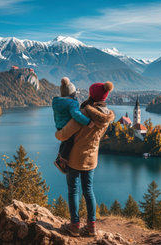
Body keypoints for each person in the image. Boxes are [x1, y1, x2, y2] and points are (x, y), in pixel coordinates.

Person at [55, 81, 115, 237]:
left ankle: (74, 226)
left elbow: (65, 134)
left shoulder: (84, 114)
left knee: (73, 191)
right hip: (91, 159)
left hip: (75, 159)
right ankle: (91, 226)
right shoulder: (106, 116)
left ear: (91, 95)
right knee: (88, 191)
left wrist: (57, 135)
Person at [52, 77, 94, 174]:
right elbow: (76, 115)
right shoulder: (72, 103)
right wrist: (88, 122)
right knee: (70, 141)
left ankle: (59, 156)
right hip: (67, 127)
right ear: (72, 94)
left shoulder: (56, 102)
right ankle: (62, 161)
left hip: (59, 126)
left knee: (65, 141)